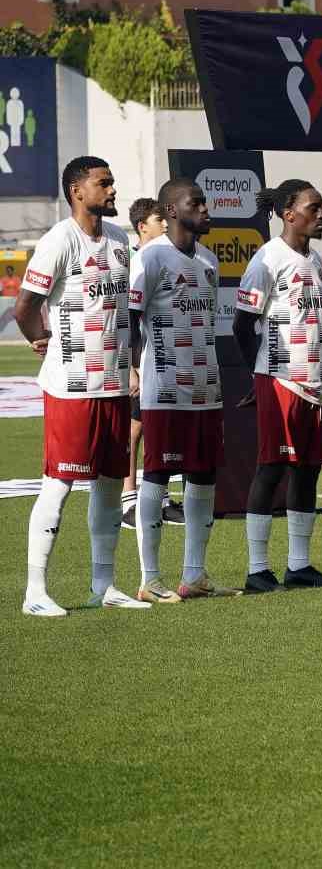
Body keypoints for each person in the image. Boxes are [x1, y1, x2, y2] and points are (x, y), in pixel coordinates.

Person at [16, 156, 146, 616]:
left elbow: (124, 314)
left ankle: (104, 585)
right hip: (71, 385)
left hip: (112, 382)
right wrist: (40, 339)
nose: (112, 190)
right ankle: (35, 592)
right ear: (77, 191)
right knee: (60, 483)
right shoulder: (58, 240)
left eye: (112, 182)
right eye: (103, 183)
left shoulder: (118, 240)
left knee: (111, 484)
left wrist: (130, 367)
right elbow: (25, 305)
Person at [233, 179, 322, 593]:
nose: (321, 215)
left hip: (317, 382)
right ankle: (257, 569)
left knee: (308, 471)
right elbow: (242, 324)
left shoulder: (320, 262)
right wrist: (255, 375)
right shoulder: (267, 260)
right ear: (288, 214)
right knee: (271, 469)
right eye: (314, 208)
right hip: (280, 381)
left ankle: (299, 566)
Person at [126, 178, 230, 602]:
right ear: (172, 211)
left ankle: (195, 575)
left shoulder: (207, 260)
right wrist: (132, 368)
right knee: (158, 474)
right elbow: (130, 318)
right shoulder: (150, 258)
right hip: (164, 387)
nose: (206, 209)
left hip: (207, 388)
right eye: (197, 202)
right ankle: (150, 578)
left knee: (204, 475)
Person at [120, 197, 180, 528]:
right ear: (143, 226)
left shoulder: (164, 259)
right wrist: (130, 366)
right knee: (135, 427)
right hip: (138, 357)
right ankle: (129, 500)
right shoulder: (132, 261)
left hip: (164, 357)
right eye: (160, 219)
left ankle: (162, 498)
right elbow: (127, 319)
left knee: (162, 425)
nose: (167, 224)